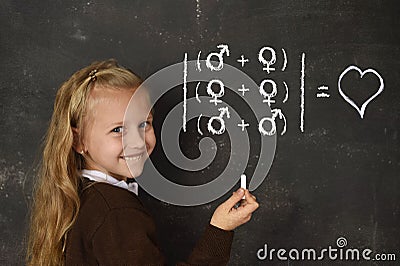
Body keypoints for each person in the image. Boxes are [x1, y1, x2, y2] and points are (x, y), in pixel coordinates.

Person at [27, 59, 259, 265]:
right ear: (78, 141)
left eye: (144, 124)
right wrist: (220, 229)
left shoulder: (80, 195)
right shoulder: (116, 211)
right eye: (118, 129)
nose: (137, 141)